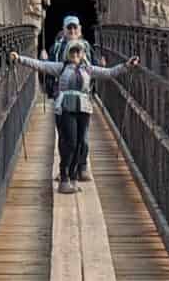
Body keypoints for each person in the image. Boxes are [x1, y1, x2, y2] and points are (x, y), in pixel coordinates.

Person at [13, 43, 136, 189]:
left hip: (83, 109)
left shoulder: (89, 69)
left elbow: (109, 73)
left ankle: (72, 178)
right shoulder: (61, 67)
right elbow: (40, 65)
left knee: (79, 145)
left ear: (83, 54)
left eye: (78, 53)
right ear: (67, 54)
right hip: (66, 108)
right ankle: (64, 176)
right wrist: (19, 58)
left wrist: (127, 66)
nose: (75, 56)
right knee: (70, 142)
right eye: (72, 53)